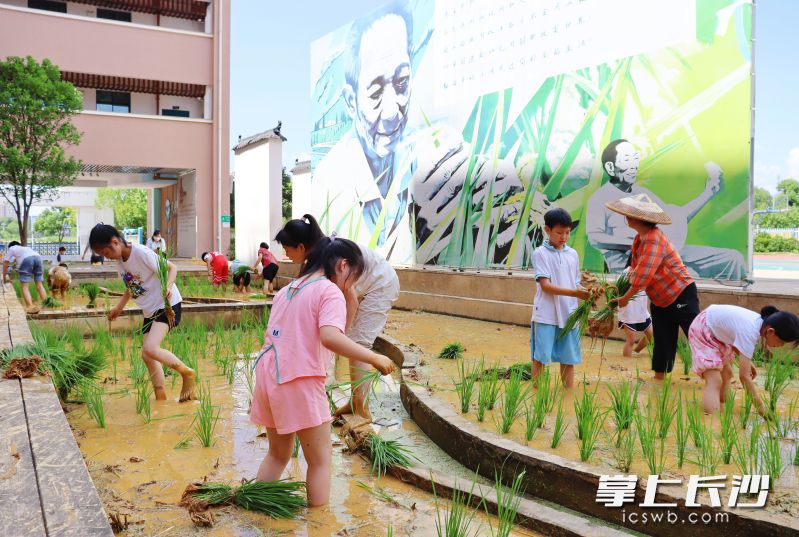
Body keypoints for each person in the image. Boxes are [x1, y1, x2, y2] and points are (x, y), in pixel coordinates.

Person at [311, 1, 521, 264]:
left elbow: (493, 179)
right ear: (351, 101)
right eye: (375, 93)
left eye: (401, 83)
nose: (391, 112)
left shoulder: (432, 147)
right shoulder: (330, 183)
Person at [250, 236, 396, 507]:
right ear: (342, 265)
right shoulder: (329, 291)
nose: (351, 285)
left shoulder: (287, 289)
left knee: (277, 456)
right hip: (299, 381)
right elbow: (329, 336)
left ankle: (256, 508)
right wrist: (373, 356)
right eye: (353, 277)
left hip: (268, 377)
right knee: (319, 462)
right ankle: (319, 524)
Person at [275, 215, 400, 425]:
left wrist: (339, 336)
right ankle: (355, 402)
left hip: (380, 284)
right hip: (366, 284)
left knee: (358, 343)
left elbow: (350, 300)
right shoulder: (318, 256)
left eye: (287, 249)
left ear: (301, 246)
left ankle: (362, 410)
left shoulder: (330, 256)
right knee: (352, 342)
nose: (286, 254)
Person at [585, 138, 746, 280]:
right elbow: (595, 238)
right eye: (627, 160)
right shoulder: (599, 198)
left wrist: (708, 193)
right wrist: (636, 244)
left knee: (733, 258)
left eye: (635, 159)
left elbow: (674, 219)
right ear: (610, 168)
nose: (634, 165)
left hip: (663, 253)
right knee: (688, 275)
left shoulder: (642, 193)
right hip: (633, 264)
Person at [89, 224, 195, 402]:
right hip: (150, 310)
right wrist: (118, 308)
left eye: (105, 253)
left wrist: (168, 286)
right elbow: (131, 287)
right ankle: (160, 398)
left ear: (115, 242)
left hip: (166, 305)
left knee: (150, 348)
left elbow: (172, 267)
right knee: (147, 355)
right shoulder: (120, 262)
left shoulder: (141, 253)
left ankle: (187, 372)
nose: (106, 257)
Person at [608, 194, 700, 380]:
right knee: (662, 340)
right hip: (660, 297)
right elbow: (634, 270)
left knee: (697, 336)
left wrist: (625, 298)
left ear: (637, 218)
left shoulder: (653, 238)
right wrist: (614, 287)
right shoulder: (639, 239)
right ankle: (659, 381)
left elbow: (643, 276)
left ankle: (718, 376)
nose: (626, 217)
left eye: (629, 214)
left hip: (680, 292)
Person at [689, 305, 799, 415]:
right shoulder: (750, 331)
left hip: (715, 329)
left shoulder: (757, 324)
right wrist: (760, 406)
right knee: (715, 380)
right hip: (703, 328)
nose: (781, 345)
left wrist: (748, 363)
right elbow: (744, 377)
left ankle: (721, 404)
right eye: (782, 341)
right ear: (771, 332)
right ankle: (712, 420)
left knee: (727, 373)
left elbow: (737, 340)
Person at [530, 208, 591, 388]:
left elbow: (575, 283)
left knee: (568, 358)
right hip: (546, 315)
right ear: (547, 230)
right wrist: (576, 293)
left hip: (569, 314)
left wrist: (587, 293)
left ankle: (568, 395)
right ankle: (537, 397)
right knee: (541, 357)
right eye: (559, 232)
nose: (563, 237)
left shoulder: (572, 254)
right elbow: (546, 286)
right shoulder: (540, 253)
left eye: (567, 232)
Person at [2, 241, 47, 313]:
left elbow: (5, 263)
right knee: (39, 285)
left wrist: (4, 278)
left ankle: (30, 307)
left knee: (25, 287)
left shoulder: (11, 248)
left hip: (27, 260)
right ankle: (46, 304)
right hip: (38, 258)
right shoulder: (26, 248)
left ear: (10, 246)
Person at [617, 268, 653, 357]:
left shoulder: (646, 270)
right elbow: (618, 290)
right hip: (629, 312)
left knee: (652, 336)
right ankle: (626, 366)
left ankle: (636, 352)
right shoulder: (627, 272)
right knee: (631, 340)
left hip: (642, 311)